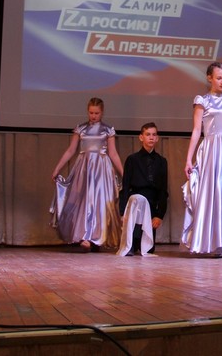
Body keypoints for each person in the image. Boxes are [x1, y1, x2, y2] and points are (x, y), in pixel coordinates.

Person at [181, 61, 222, 255]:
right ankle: (213, 241)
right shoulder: (203, 101)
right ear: (210, 78)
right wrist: (189, 159)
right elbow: (196, 130)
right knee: (214, 192)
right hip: (211, 151)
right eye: (219, 78)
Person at [50, 97, 124, 251]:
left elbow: (113, 153)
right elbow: (71, 150)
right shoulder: (81, 129)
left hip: (101, 168)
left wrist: (124, 173)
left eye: (96, 113)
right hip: (84, 167)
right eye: (91, 113)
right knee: (83, 202)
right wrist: (57, 168)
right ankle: (84, 236)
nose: (93, 116)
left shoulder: (107, 130)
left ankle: (96, 237)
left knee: (99, 202)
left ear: (102, 112)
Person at [117, 122, 168, 256]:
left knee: (148, 249)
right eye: (148, 134)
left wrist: (159, 215)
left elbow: (163, 190)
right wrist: (123, 212)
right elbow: (125, 186)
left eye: (154, 135)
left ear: (157, 138)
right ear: (141, 137)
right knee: (132, 246)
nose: (151, 138)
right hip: (135, 203)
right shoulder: (132, 159)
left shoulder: (161, 161)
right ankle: (131, 242)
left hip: (151, 205)